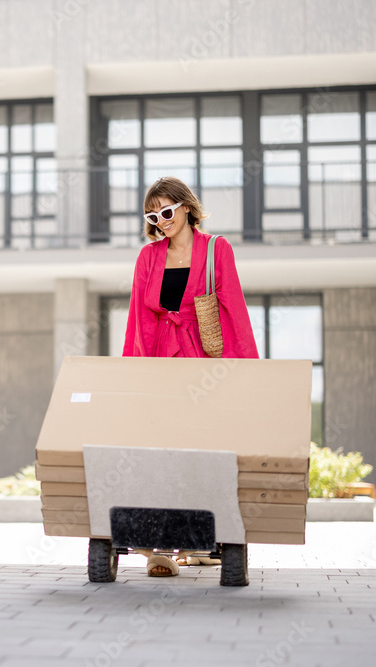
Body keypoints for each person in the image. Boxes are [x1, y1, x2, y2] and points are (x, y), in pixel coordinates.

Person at [122, 176, 259, 576]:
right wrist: (137, 373)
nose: (161, 220)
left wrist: (244, 370)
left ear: (185, 207)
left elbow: (233, 307)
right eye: (153, 214)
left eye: (167, 211)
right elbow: (138, 318)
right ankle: (162, 544)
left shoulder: (217, 249)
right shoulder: (148, 258)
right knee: (163, 446)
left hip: (205, 363)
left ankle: (209, 542)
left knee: (207, 448)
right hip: (163, 361)